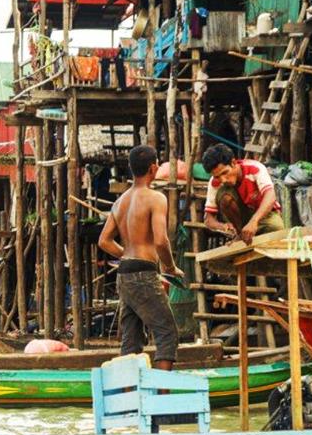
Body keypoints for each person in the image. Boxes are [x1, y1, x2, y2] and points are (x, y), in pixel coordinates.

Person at [98, 145, 184, 370]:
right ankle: (160, 394)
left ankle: (130, 394)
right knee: (166, 333)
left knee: (131, 339)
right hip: (144, 272)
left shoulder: (120, 201)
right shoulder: (156, 198)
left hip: (124, 273)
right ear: (154, 167)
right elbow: (161, 241)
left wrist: (126, 254)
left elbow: (104, 241)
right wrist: (170, 266)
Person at [200, 144, 284, 245]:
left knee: (277, 227)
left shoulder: (255, 168)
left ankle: (246, 232)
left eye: (225, 173)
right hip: (239, 221)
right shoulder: (214, 182)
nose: (223, 180)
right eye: (217, 176)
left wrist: (254, 222)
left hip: (263, 215)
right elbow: (208, 219)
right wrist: (223, 227)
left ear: (233, 163)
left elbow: (271, 196)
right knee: (224, 196)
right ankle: (240, 234)